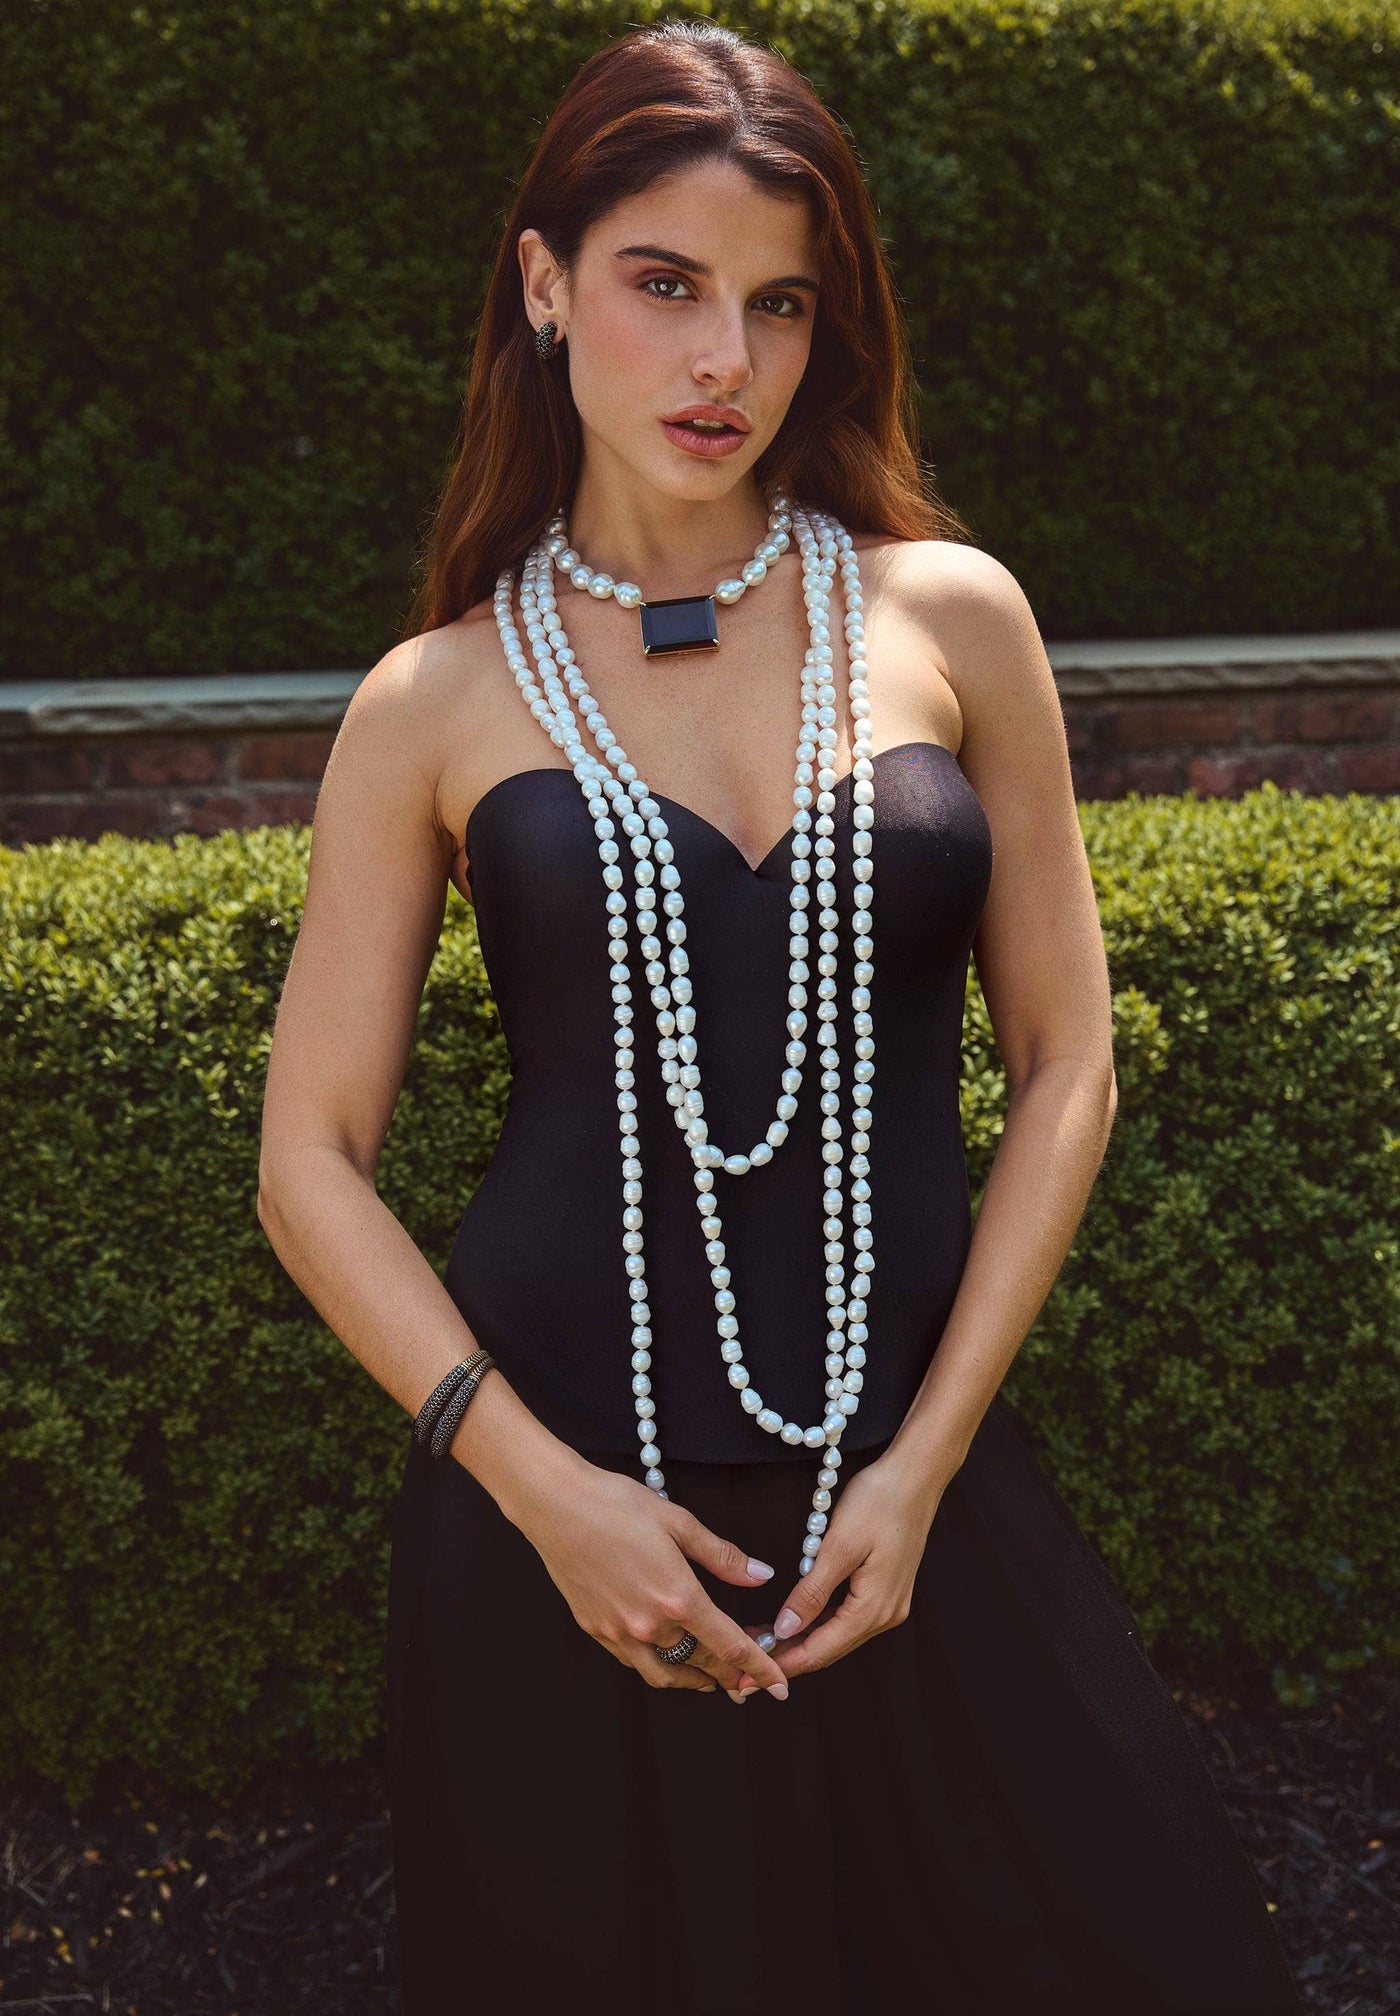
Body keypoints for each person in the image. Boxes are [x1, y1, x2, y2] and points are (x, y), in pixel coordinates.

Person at [257, 19, 1304, 2014]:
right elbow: (307, 1161)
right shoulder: (430, 701)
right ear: (545, 283)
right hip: (565, 1527)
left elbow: (1066, 1063)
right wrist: (539, 1493)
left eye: (780, 303)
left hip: (907, 1497)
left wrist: (923, 1469)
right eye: (664, 285)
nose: (724, 359)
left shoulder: (950, 616)